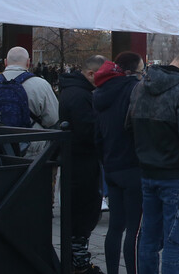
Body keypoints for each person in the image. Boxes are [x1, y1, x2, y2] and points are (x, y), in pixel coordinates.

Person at [131, 43, 179, 274]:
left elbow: (129, 125)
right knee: (177, 239)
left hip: (147, 171)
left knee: (148, 237)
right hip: (177, 173)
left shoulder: (141, 85)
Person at [94, 52, 144, 274]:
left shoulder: (101, 92)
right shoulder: (134, 90)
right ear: (132, 72)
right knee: (134, 228)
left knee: (115, 226)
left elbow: (97, 134)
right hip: (133, 165)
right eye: (143, 71)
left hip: (111, 165)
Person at [58, 56, 105, 274]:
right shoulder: (81, 95)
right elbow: (88, 131)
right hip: (82, 161)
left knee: (78, 211)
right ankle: (78, 261)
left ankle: (75, 258)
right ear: (90, 74)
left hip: (75, 160)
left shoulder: (73, 90)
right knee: (83, 212)